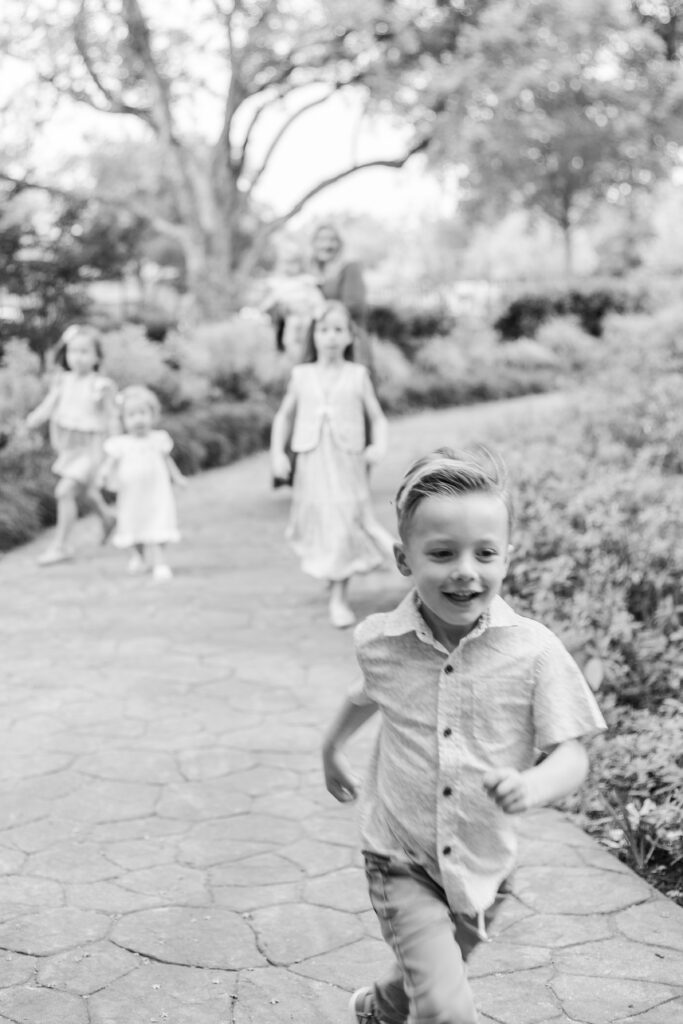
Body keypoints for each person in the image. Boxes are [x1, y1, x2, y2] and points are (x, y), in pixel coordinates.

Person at [322, 447, 607, 1024]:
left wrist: (535, 783)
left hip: (485, 865)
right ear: (404, 560)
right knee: (448, 1007)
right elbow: (366, 693)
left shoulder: (534, 652)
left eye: (484, 553)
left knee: (433, 973)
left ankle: (378, 1008)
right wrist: (330, 748)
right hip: (399, 858)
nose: (465, 570)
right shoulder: (382, 641)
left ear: (508, 557)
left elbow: (573, 752)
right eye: (442, 553)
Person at [270, 300, 395, 628]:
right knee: (321, 520)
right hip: (311, 462)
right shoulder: (301, 375)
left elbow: (378, 418)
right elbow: (283, 416)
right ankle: (333, 569)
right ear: (314, 335)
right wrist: (277, 455)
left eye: (338, 330)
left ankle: (339, 596)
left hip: (346, 462)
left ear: (350, 336)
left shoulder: (357, 375)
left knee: (343, 520)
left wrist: (378, 446)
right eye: (324, 330)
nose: (330, 337)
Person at [25, 323, 117, 566]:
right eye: (73, 351)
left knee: (64, 491)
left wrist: (116, 449)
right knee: (86, 491)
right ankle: (108, 519)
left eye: (85, 351)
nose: (78, 357)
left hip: (92, 448)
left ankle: (61, 546)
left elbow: (112, 418)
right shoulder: (63, 381)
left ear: (97, 356)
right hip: (69, 448)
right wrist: (33, 419)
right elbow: (49, 404)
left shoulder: (101, 385)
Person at [97, 385, 186, 581]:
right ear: (123, 419)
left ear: (153, 415)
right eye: (131, 415)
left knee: (159, 521)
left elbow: (167, 460)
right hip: (131, 494)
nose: (138, 419)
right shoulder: (120, 443)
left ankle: (160, 560)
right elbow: (109, 463)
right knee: (132, 523)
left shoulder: (158, 439)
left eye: (143, 413)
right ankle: (139, 556)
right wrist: (103, 473)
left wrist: (177, 477)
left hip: (157, 492)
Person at [310, 223, 373, 373]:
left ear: (340, 243)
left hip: (349, 342)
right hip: (322, 345)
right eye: (321, 239)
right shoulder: (314, 271)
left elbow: (355, 304)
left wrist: (323, 310)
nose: (326, 244)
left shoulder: (350, 266)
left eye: (332, 239)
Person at [261, 240, 324, 360]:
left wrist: (318, 312)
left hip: (307, 316)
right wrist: (262, 309)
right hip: (291, 317)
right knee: (290, 337)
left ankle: (306, 354)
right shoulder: (279, 283)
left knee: (307, 335)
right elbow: (271, 300)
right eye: (286, 263)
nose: (290, 267)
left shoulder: (306, 281)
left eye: (293, 263)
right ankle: (291, 356)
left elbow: (316, 298)